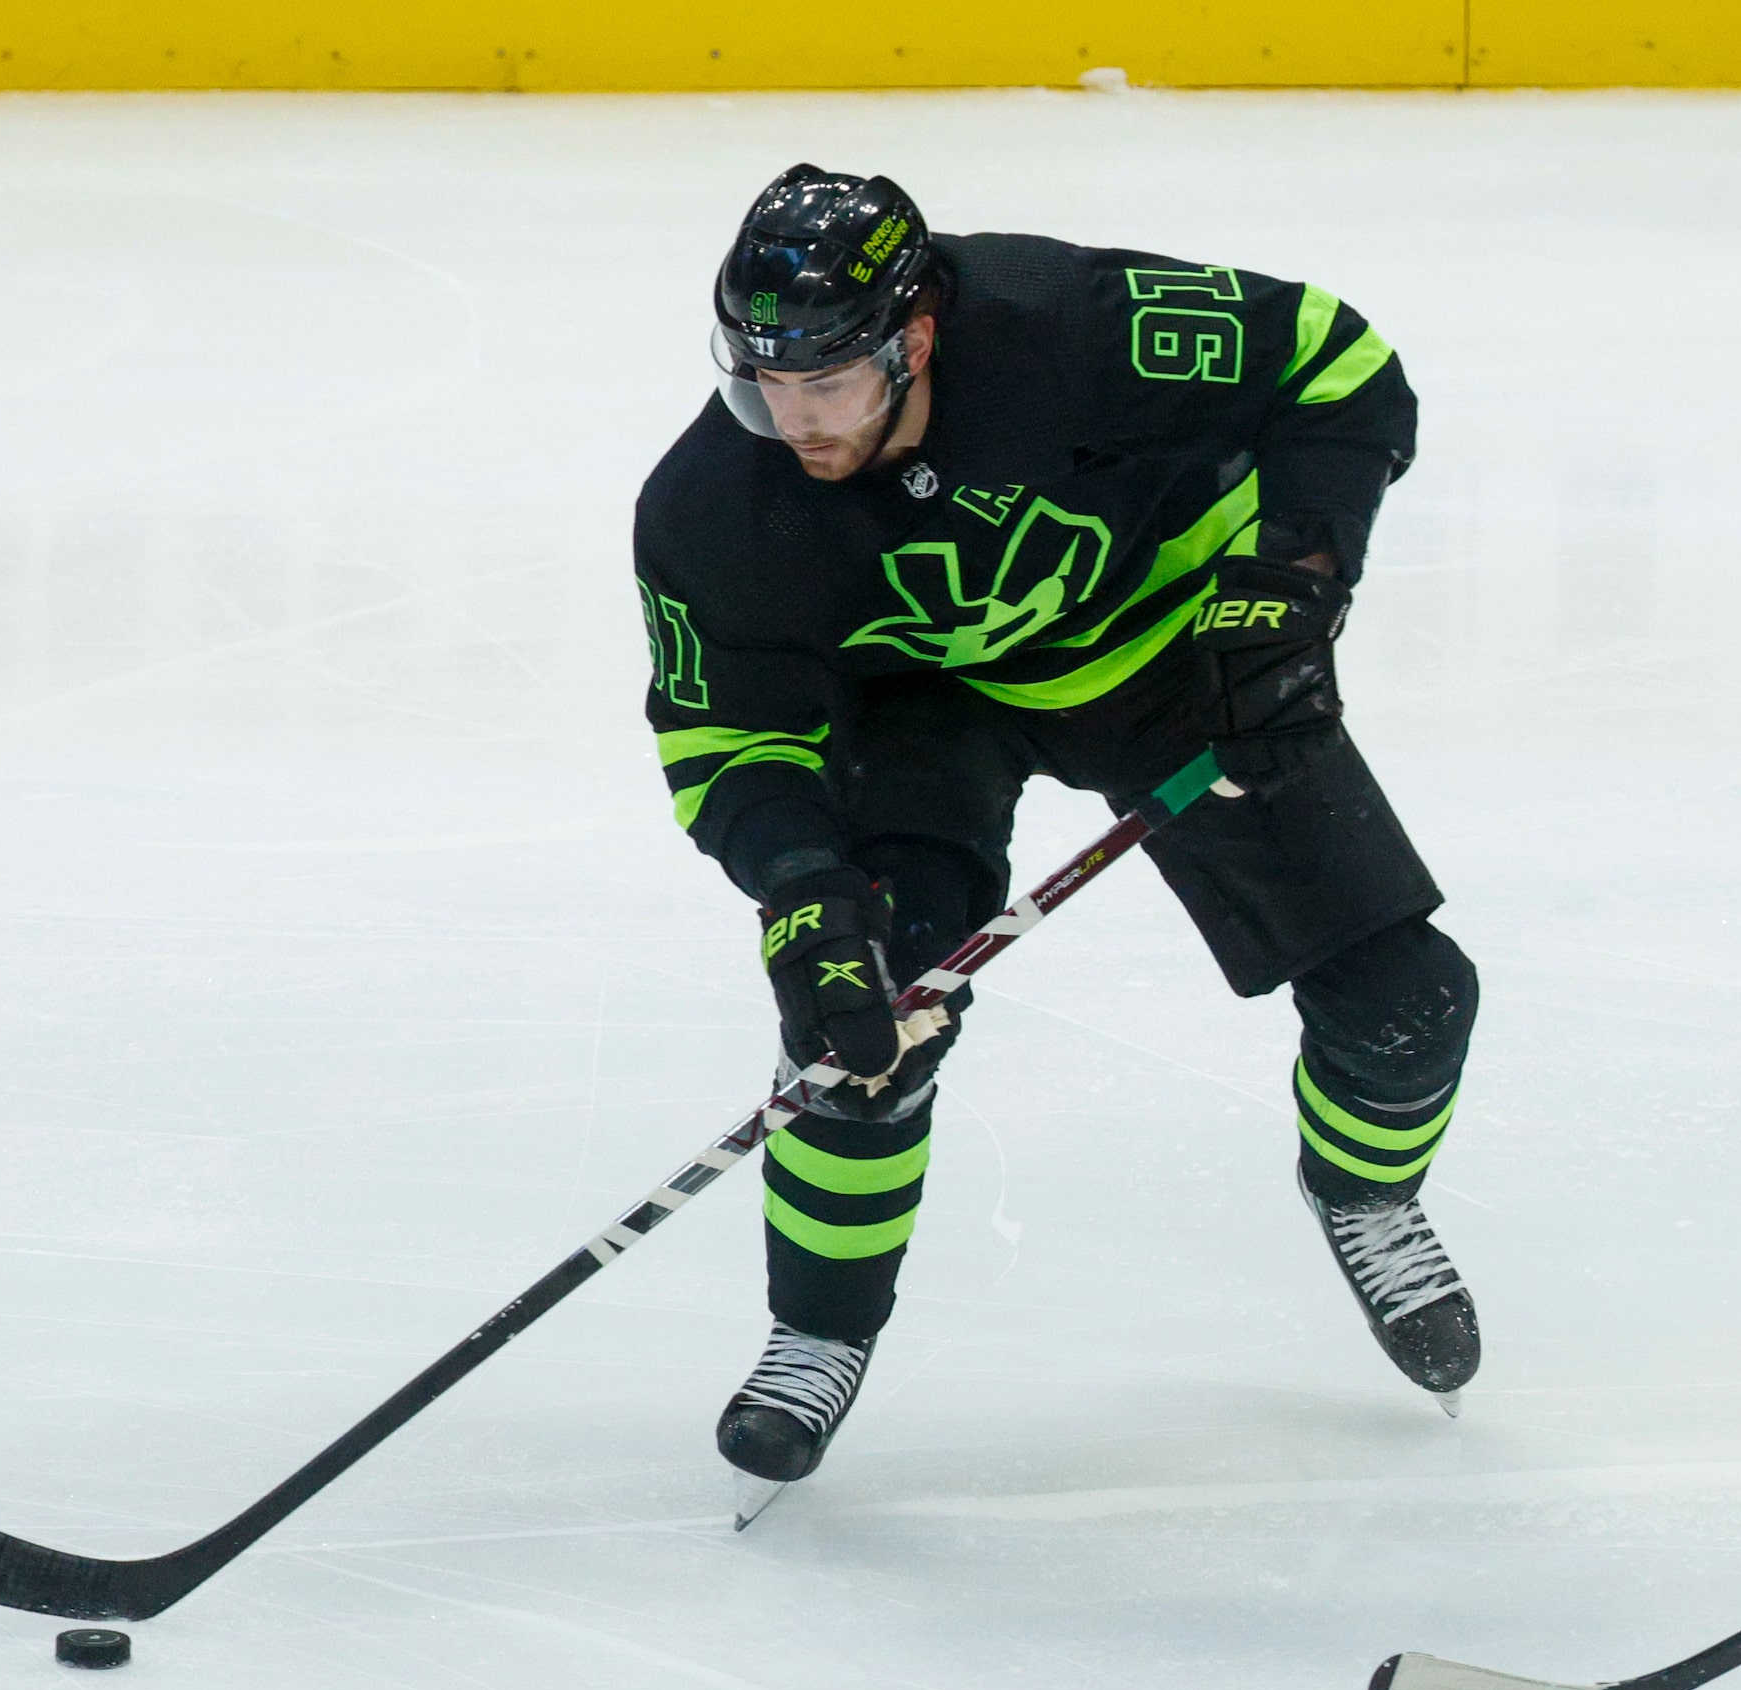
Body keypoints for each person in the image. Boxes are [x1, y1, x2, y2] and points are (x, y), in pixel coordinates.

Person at [632, 165, 1480, 1494]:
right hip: (921, 707)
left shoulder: (1075, 327)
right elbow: (725, 736)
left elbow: (1334, 363)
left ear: (914, 339)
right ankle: (817, 1326)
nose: (793, 427)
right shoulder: (711, 510)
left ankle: (1364, 1192)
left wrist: (1290, 586)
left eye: (826, 389)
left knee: (1408, 1002)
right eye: (763, 388)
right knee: (859, 1022)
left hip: (1174, 659)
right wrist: (801, 885)